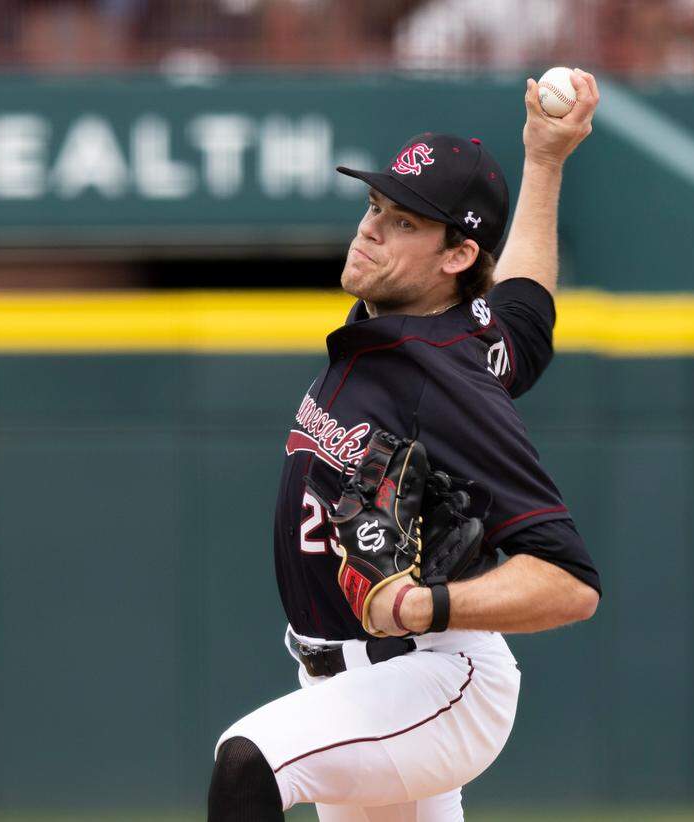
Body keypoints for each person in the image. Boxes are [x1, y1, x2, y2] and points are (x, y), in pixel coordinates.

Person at [208, 70, 602, 822]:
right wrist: (545, 160)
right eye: (375, 206)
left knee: (247, 762)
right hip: (353, 684)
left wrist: (426, 603)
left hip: (431, 677)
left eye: (404, 222)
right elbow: (525, 308)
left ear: (455, 257)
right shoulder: (466, 333)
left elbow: (569, 581)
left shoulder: (442, 379)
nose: (370, 227)